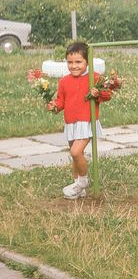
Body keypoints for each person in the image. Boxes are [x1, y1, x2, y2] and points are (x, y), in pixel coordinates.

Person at [47, 41, 111, 200]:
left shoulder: (94, 78)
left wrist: (98, 94)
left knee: (75, 152)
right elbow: (61, 101)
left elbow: (107, 95)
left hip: (86, 122)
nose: (74, 66)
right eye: (70, 62)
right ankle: (78, 189)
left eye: (78, 62)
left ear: (87, 62)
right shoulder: (64, 81)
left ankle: (82, 182)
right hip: (71, 123)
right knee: (76, 156)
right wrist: (54, 106)